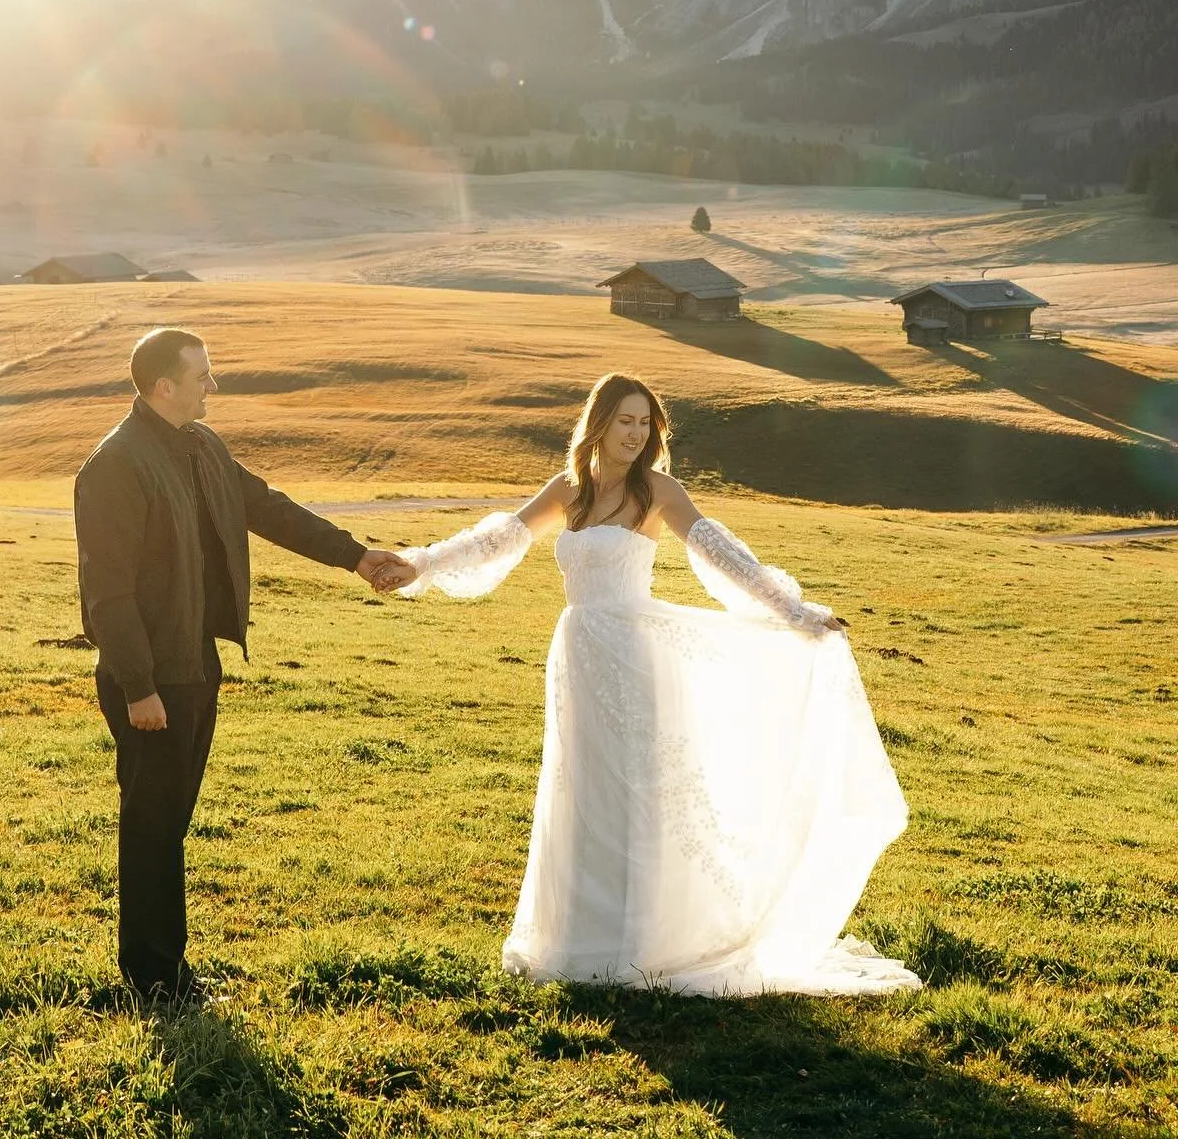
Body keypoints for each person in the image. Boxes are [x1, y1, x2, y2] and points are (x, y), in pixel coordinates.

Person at [396, 372, 920, 996]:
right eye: (625, 421)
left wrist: (795, 612)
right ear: (599, 423)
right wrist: (422, 563)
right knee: (582, 791)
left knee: (641, 797)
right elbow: (500, 538)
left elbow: (722, 555)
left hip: (636, 656)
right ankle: (577, 940)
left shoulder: (658, 491)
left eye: (645, 424)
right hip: (580, 654)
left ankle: (648, 944)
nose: (635, 434)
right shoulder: (570, 490)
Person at [74, 326, 416, 1001]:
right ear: (164, 385)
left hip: (194, 663)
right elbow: (106, 590)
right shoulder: (115, 465)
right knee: (152, 824)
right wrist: (140, 687)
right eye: (203, 374)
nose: (214, 384)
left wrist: (355, 555)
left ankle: (167, 971)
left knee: (169, 822)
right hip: (150, 676)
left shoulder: (202, 447)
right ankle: (152, 980)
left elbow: (266, 507)